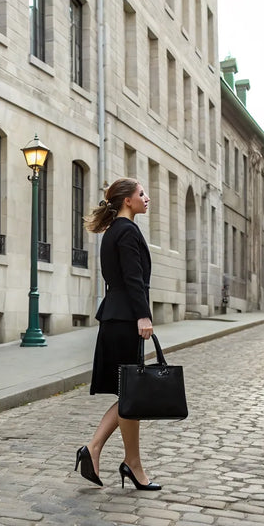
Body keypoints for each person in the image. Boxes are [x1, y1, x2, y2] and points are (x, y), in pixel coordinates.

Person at [73, 177, 161, 491]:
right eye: (141, 193)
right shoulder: (126, 231)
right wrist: (143, 316)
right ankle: (130, 463)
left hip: (117, 316)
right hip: (125, 318)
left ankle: (96, 451)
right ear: (127, 200)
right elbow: (133, 278)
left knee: (128, 395)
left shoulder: (115, 231)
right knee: (131, 396)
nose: (146, 197)